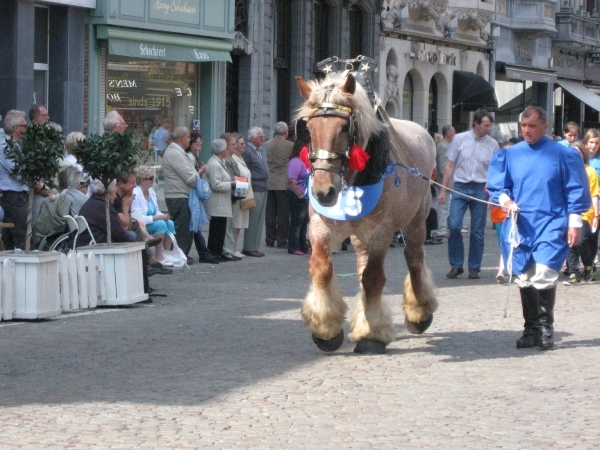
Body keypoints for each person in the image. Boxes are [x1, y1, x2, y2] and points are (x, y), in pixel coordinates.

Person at [487, 106, 592, 350]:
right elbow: (499, 186)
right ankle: (531, 329)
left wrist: (575, 221)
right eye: (523, 126)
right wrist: (505, 200)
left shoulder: (563, 155)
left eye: (531, 126)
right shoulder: (511, 155)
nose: (526, 131)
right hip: (522, 223)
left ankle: (546, 328)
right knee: (524, 275)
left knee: (544, 272)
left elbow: (576, 188)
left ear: (545, 126)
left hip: (552, 221)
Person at [438, 110, 499, 279]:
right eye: (486, 125)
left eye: (490, 126)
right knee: (455, 225)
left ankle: (474, 267)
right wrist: (443, 189)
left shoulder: (493, 144)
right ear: (476, 124)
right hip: (461, 187)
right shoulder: (459, 139)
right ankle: (456, 265)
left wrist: (493, 193)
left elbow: (495, 170)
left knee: (477, 231)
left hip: (481, 188)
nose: (488, 129)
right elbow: (449, 165)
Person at [163, 127, 201, 265]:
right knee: (182, 227)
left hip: (182, 194)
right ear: (181, 138)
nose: (190, 139)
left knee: (186, 227)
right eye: (188, 137)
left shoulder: (179, 152)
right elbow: (190, 177)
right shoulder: (175, 153)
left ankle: (182, 254)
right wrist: (199, 178)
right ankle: (179, 254)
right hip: (178, 195)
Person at [563, 142, 599, 285]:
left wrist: (596, 215)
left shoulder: (589, 171)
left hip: (585, 211)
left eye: (578, 153)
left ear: (583, 154)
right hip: (568, 211)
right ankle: (574, 273)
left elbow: (594, 194)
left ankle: (589, 266)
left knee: (581, 240)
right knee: (570, 242)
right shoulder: (564, 170)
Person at [184, 132, 218, 264]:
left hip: (194, 193)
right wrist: (201, 171)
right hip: (192, 193)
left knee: (196, 225)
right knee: (195, 225)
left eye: (200, 140)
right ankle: (203, 253)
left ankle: (203, 253)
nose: (200, 143)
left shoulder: (194, 156)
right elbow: (192, 177)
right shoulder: (190, 157)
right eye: (196, 141)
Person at [132, 165, 176, 266]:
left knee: (170, 223)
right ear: (143, 180)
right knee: (160, 224)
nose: (153, 180)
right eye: (151, 178)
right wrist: (158, 218)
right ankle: (159, 256)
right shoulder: (136, 193)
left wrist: (164, 215)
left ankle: (167, 254)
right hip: (141, 224)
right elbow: (138, 217)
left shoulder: (151, 192)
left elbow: (156, 210)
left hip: (150, 222)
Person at [204, 138, 237, 262]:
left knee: (220, 228)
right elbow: (216, 184)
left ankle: (217, 251)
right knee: (216, 229)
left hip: (222, 202)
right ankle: (213, 252)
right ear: (223, 150)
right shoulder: (214, 163)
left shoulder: (219, 161)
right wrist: (231, 184)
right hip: (217, 202)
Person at [0, 110, 29, 250]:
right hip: (13, 196)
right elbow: (19, 172)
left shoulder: (15, 146)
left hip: (17, 195)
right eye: (24, 126)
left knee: (15, 234)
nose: (26, 129)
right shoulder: (6, 147)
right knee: (18, 234)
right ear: (16, 128)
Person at [77, 179, 137, 245]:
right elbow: (120, 234)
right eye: (114, 192)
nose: (115, 196)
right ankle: (147, 254)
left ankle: (147, 253)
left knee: (132, 233)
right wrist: (137, 244)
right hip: (99, 245)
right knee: (132, 236)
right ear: (108, 192)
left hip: (89, 242)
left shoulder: (92, 202)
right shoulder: (103, 207)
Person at [223, 134, 252, 259]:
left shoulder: (240, 157)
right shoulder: (231, 158)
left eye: (239, 144)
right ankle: (231, 248)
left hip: (243, 191)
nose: (241, 145)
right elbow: (235, 175)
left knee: (239, 223)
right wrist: (240, 194)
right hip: (237, 192)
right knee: (235, 222)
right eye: (238, 143)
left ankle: (233, 248)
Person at [241, 126, 269, 257]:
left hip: (263, 187)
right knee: (253, 219)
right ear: (252, 138)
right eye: (260, 136)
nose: (263, 138)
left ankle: (255, 246)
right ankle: (249, 246)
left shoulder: (261, 150)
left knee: (259, 219)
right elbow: (244, 170)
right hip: (255, 187)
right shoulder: (247, 151)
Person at [265, 122, 293, 248]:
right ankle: (282, 239)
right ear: (286, 132)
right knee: (283, 214)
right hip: (283, 181)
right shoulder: (290, 145)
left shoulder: (267, 144)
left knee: (270, 212)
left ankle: (269, 239)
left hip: (270, 181)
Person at [286, 138, 310, 255]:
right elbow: (292, 179)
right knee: (297, 221)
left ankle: (303, 246)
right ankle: (293, 246)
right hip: (297, 195)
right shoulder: (296, 161)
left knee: (304, 222)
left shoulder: (303, 162)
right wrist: (299, 195)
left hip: (304, 195)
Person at [433, 125, 455, 238]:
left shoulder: (446, 145)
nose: (455, 134)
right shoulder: (443, 146)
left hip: (445, 180)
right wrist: (447, 183)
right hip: (443, 181)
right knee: (443, 205)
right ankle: (442, 229)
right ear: (448, 133)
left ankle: (444, 227)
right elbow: (443, 166)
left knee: (446, 205)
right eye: (453, 131)